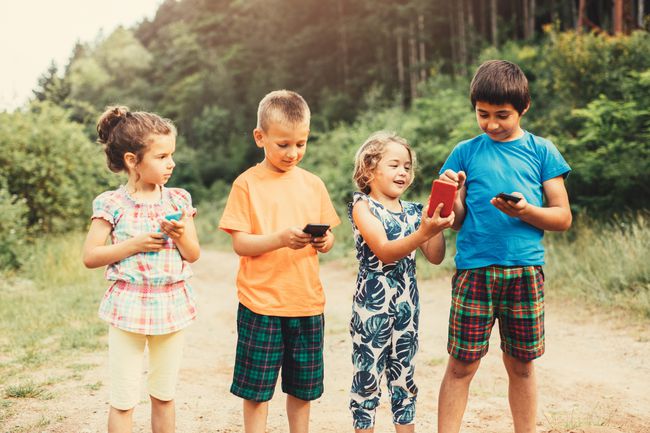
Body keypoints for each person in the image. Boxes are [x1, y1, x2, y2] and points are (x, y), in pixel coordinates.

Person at [436, 60, 572, 433]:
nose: (492, 124)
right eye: (483, 114)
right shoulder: (464, 152)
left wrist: (526, 210)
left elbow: (562, 218)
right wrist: (454, 193)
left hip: (525, 271)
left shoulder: (542, 151)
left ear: (523, 108)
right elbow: (455, 217)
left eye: (502, 115)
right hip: (475, 271)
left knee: (522, 365)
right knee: (461, 364)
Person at [218, 90, 341, 433]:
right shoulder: (246, 185)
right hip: (261, 304)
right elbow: (240, 243)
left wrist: (323, 240)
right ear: (260, 137)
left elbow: (329, 240)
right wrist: (280, 239)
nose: (293, 153)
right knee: (256, 392)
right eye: (283, 144)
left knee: (303, 390)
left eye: (301, 144)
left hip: (305, 303)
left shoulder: (313, 184)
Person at [82, 106, 200, 433]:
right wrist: (133, 244)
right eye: (161, 156)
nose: (171, 163)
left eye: (171, 155)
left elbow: (193, 254)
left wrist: (179, 236)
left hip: (171, 307)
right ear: (133, 161)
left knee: (164, 394)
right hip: (127, 307)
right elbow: (91, 256)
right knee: (123, 399)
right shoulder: (111, 204)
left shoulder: (178, 200)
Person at [348, 131, 455, 432]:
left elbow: (435, 256)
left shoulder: (414, 212)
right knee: (367, 380)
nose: (403, 172)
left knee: (404, 379)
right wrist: (422, 232)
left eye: (407, 166)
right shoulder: (363, 207)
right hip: (372, 310)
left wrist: (436, 223)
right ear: (369, 169)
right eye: (394, 165)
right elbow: (384, 251)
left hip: (407, 309)